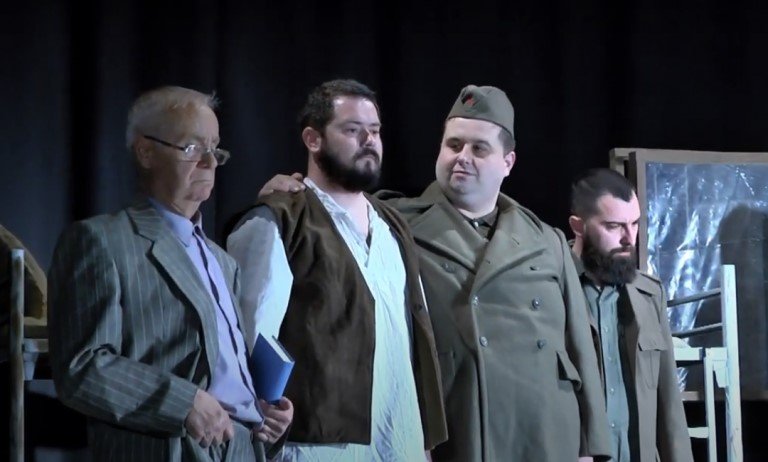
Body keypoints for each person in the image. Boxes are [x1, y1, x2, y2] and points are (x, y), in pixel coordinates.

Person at [257, 84, 611, 461]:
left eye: (479, 149)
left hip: (545, 434)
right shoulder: (391, 223)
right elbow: (328, 204)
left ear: (508, 162)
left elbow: (581, 349)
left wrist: (592, 449)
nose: (462, 158)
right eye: (453, 145)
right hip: (459, 429)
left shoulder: (547, 240)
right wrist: (288, 193)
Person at [47, 86, 292, 462]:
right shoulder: (100, 241)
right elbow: (82, 367)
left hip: (243, 449)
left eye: (215, 149)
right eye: (193, 148)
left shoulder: (222, 262)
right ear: (146, 152)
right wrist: (183, 402)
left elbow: (218, 372)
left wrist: (258, 412)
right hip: (172, 448)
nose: (209, 163)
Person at [227, 79, 447, 461]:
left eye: (375, 130)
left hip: (400, 441)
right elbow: (250, 337)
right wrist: (258, 416)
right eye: (352, 130)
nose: (369, 140)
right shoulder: (280, 220)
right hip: (318, 445)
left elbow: (413, 340)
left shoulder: (393, 226)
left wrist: (423, 442)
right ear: (313, 139)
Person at [568, 168, 693, 462]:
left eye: (634, 223)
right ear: (578, 226)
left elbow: (669, 402)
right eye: (614, 226)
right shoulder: (553, 290)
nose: (629, 238)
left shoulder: (649, 295)